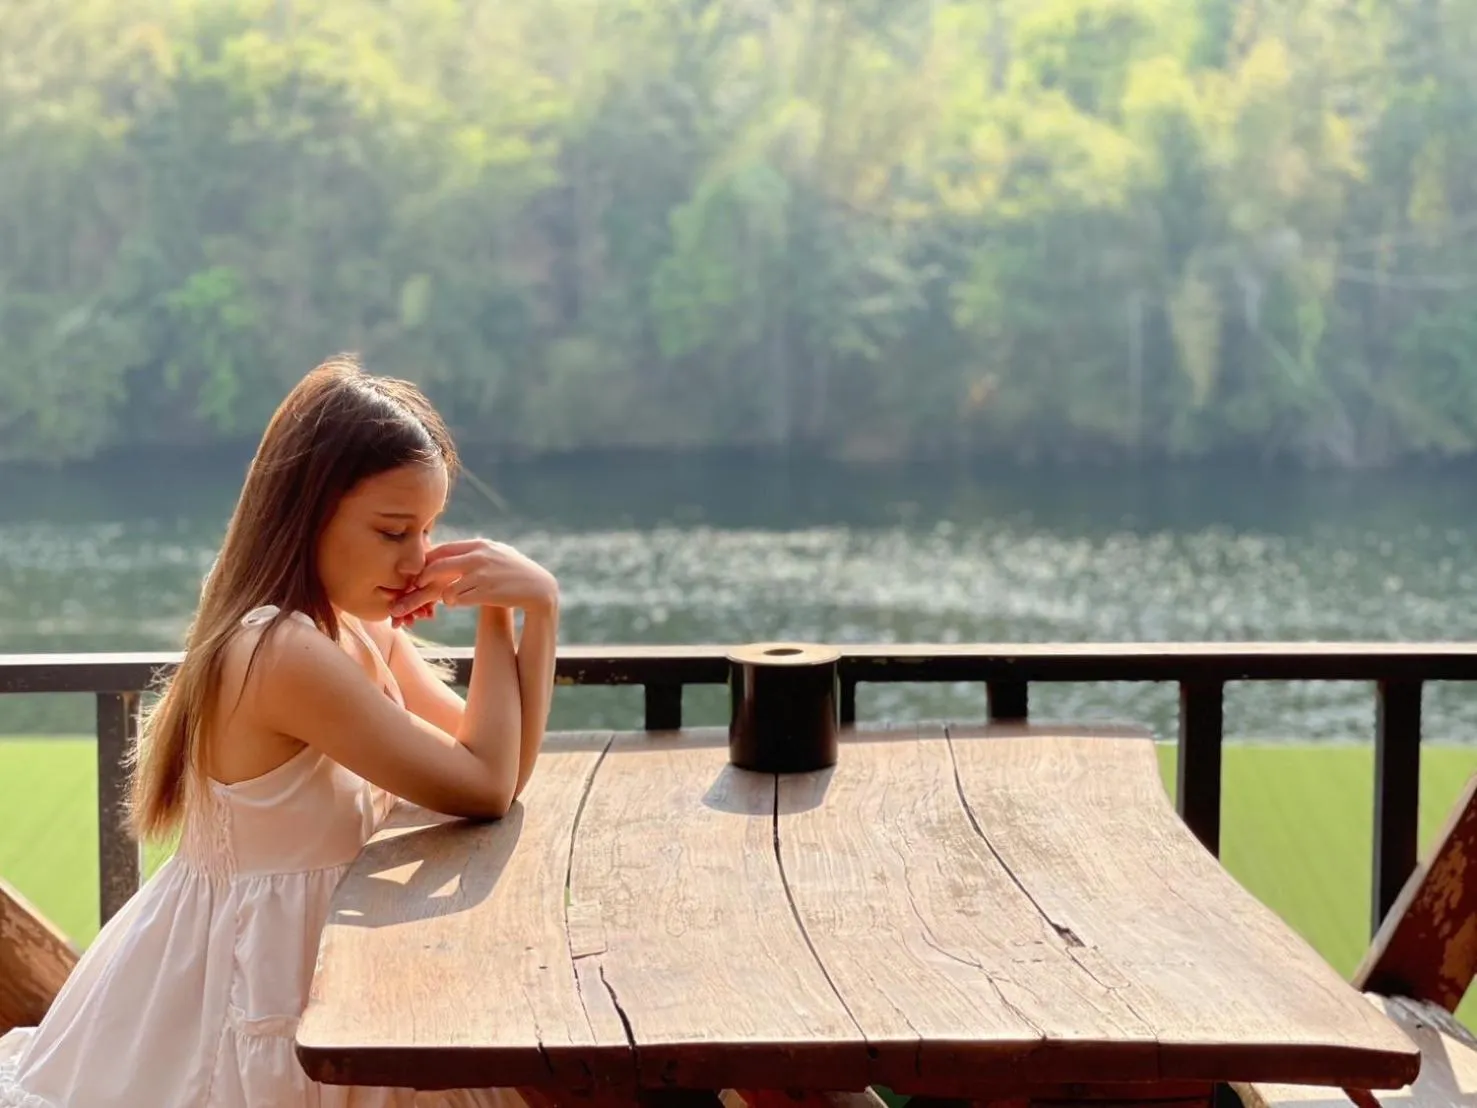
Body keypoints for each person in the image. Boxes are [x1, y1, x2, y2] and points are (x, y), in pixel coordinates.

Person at [0, 356, 559, 1106]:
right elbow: (485, 786)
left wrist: (534, 611)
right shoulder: (279, 652)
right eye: (394, 531)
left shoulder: (353, 631)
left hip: (334, 971)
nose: (418, 559)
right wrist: (500, 609)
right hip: (255, 985)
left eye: (427, 530)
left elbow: (499, 762)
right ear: (308, 511)